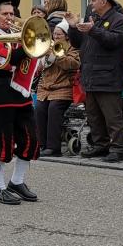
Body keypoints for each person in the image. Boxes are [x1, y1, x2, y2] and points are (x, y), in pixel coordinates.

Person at [0, 0, 41, 204]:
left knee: (30, 138)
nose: (10, 17)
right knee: (1, 141)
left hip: (21, 92)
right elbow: (6, 60)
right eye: (5, 14)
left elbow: (31, 62)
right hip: (1, 91)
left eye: (12, 13)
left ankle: (16, 181)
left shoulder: (17, 36)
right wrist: (30, 45)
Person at [67, 0, 123, 162]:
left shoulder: (119, 20)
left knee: (112, 116)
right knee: (94, 115)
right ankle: (100, 145)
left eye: (94, 0)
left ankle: (118, 149)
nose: (91, 3)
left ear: (104, 1)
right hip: (91, 75)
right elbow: (78, 43)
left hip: (108, 76)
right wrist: (73, 27)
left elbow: (114, 41)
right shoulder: (93, 18)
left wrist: (93, 30)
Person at [36, 20, 79, 156]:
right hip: (46, 88)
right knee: (39, 109)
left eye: (59, 34)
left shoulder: (72, 47)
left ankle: (53, 147)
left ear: (66, 35)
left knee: (54, 109)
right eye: (54, 33)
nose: (55, 36)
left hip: (64, 87)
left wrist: (57, 55)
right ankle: (40, 144)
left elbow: (73, 64)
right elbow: (40, 68)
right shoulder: (47, 45)